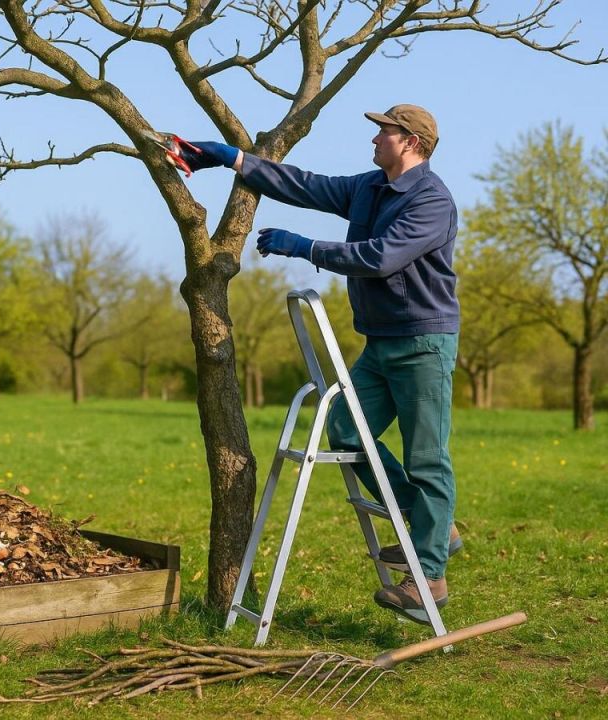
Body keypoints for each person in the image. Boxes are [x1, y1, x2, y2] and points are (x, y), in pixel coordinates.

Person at [173, 105, 462, 621]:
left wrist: (306, 247)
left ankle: (431, 579)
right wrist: (232, 159)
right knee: (348, 432)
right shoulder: (368, 187)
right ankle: (430, 523)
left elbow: (381, 256)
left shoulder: (432, 201)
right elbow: (305, 184)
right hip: (379, 343)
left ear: (412, 141)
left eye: (385, 131)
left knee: (426, 458)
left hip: (423, 343)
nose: (375, 137)